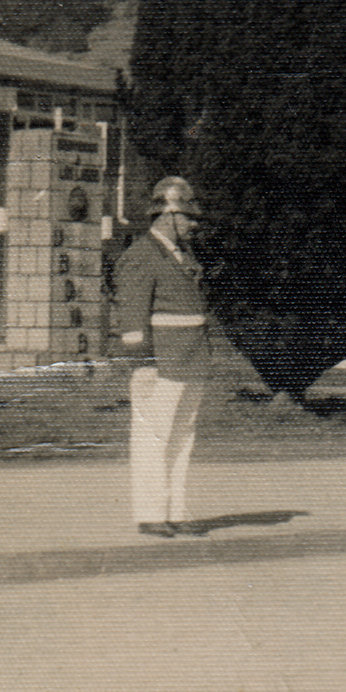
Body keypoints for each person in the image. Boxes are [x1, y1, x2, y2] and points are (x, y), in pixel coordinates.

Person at [114, 176, 214, 538]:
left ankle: (175, 510)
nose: (193, 223)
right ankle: (151, 513)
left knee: (181, 438)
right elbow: (133, 320)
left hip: (190, 361)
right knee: (153, 437)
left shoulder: (181, 255)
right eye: (187, 216)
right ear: (167, 215)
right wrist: (143, 365)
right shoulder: (141, 256)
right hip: (162, 363)